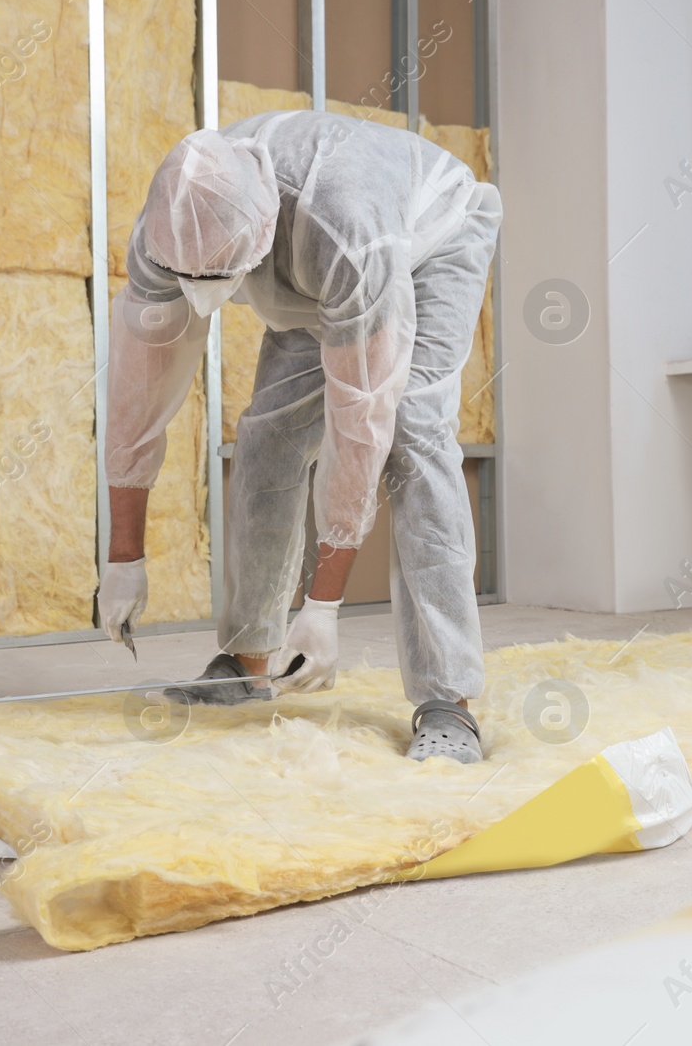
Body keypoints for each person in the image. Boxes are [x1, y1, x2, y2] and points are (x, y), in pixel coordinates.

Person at [96, 109, 501, 763]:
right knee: (267, 436)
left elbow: (361, 417)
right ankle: (247, 661)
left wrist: (324, 604)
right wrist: (123, 556)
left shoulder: (344, 227)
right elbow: (136, 399)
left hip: (432, 237)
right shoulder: (170, 225)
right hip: (309, 270)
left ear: (257, 238)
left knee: (413, 435)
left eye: (218, 283)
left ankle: (447, 698)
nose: (203, 300)